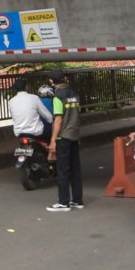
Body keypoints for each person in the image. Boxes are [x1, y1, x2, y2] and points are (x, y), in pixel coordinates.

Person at [46, 71, 83, 212]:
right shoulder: (74, 93)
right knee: (75, 169)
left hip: (63, 136)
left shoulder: (57, 97)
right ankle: (77, 200)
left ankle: (63, 202)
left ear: (52, 81)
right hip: (74, 134)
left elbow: (58, 119)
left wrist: (53, 140)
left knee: (62, 170)